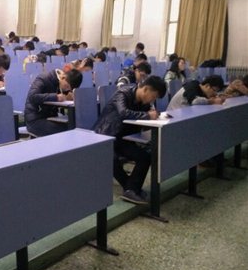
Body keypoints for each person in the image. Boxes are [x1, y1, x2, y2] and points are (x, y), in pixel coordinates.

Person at [94, 76, 167, 204]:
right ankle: (131, 188)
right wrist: (147, 115)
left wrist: (153, 115)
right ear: (146, 89)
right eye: (154, 96)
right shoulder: (123, 93)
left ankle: (130, 189)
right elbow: (123, 113)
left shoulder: (144, 103)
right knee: (112, 159)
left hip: (123, 138)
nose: (153, 100)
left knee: (145, 156)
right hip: (106, 135)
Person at [24, 68, 83, 137]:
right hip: (35, 120)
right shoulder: (43, 78)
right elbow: (32, 97)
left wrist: (69, 97)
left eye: (69, 89)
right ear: (63, 77)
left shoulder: (60, 84)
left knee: (74, 125)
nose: (66, 89)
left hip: (50, 117)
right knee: (67, 130)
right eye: (66, 86)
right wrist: (55, 97)